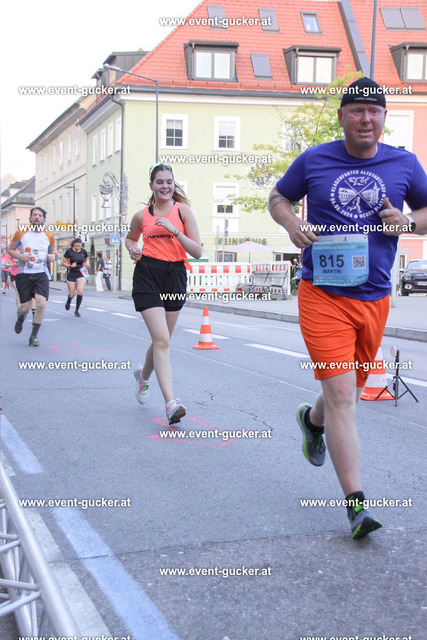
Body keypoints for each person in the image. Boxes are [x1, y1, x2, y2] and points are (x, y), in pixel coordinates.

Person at [268, 77, 427, 539]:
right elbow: (278, 197)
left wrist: (408, 222)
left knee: (346, 394)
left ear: (384, 118)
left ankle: (310, 421)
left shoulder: (404, 163)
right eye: (357, 110)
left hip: (374, 297)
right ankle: (357, 506)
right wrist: (292, 223)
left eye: (374, 111)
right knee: (342, 396)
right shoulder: (314, 159)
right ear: (341, 117)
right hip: (322, 294)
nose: (366, 118)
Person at [125, 163, 202, 425]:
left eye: (169, 181)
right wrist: (132, 249)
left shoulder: (183, 212)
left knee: (163, 339)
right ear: (151, 186)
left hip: (175, 275)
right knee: (161, 338)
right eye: (159, 182)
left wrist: (175, 231)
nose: (165, 186)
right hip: (147, 274)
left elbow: (197, 251)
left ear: (173, 184)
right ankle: (171, 403)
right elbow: (130, 238)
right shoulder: (141, 216)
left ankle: (143, 377)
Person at [8, 207, 57, 346]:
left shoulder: (49, 236)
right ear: (30, 218)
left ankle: (34, 336)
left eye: (40, 215)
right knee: (25, 307)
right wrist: (20, 256)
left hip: (41, 274)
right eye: (34, 215)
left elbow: (53, 254)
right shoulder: (21, 233)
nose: (37, 217)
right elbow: (10, 249)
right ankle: (20, 318)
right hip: (24, 274)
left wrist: (52, 257)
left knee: (41, 304)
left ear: (44, 219)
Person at [62, 237, 89, 317]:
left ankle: (77, 310)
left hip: (81, 272)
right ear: (73, 245)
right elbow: (63, 263)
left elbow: (87, 259)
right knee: (72, 294)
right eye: (76, 246)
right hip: (71, 273)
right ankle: (69, 301)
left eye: (79, 246)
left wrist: (87, 263)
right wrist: (70, 265)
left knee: (80, 291)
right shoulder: (69, 251)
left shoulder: (83, 251)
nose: (78, 248)